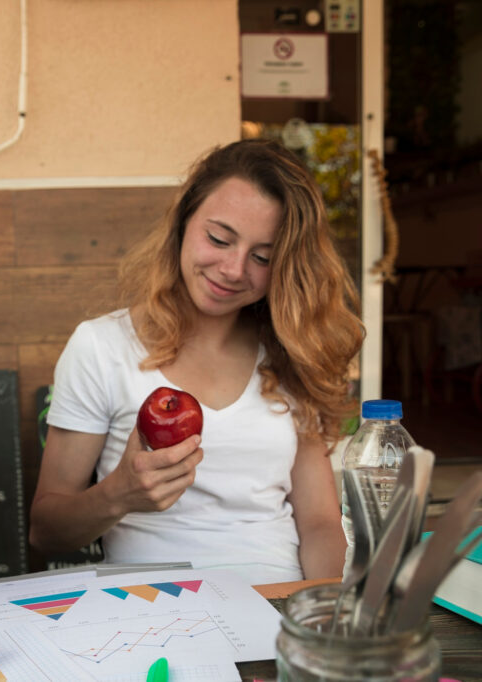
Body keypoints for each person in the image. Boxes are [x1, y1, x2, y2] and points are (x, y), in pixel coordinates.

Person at [30, 139, 363, 584]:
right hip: (150, 609)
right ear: (183, 222)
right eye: (219, 239)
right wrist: (118, 495)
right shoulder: (101, 347)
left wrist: (330, 618)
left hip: (278, 602)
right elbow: (46, 531)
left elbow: (320, 523)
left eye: (263, 257)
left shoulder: (291, 351)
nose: (233, 269)